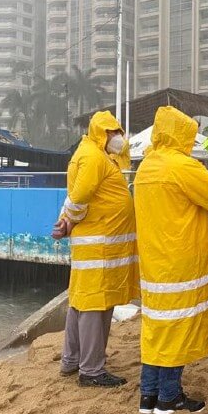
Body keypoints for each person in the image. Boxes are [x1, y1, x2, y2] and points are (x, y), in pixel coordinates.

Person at [134, 106, 208, 414]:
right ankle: (170, 397)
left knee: (155, 329)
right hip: (181, 263)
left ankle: (148, 396)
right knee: (177, 328)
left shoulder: (147, 165)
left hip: (154, 263)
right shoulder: (181, 165)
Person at [53, 110, 139, 388]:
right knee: (95, 305)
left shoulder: (94, 154)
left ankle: (72, 359)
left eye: (119, 132)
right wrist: (68, 220)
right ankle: (91, 370)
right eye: (113, 132)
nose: (119, 138)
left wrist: (67, 221)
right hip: (99, 245)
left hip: (97, 243)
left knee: (81, 301)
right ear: (101, 133)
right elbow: (78, 196)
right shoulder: (92, 157)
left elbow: (77, 197)